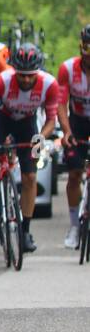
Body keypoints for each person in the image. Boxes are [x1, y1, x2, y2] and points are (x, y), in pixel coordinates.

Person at [0, 43, 57, 254]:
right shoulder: (3, 81)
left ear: (38, 72)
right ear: (15, 70)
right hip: (2, 118)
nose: (25, 79)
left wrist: (40, 139)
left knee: (31, 177)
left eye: (30, 75)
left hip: (28, 125)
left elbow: (51, 120)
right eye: (21, 75)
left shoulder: (49, 84)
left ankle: (25, 231)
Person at [56, 25, 90, 248]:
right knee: (75, 173)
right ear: (81, 47)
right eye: (87, 48)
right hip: (77, 122)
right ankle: (75, 227)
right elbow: (60, 103)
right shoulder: (68, 68)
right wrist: (66, 131)